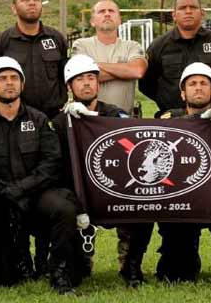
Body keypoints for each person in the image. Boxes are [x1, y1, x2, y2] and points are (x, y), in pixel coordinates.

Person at [0, 56, 77, 294]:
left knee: (64, 207)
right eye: (2, 78)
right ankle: (15, 258)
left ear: (22, 84)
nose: (9, 83)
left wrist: (23, 188)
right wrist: (6, 191)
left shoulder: (39, 120)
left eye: (14, 78)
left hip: (36, 195)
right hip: (1, 199)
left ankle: (59, 271)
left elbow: (52, 163)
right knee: (1, 278)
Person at [154, 63, 211, 288]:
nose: (198, 88)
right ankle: (183, 257)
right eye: (192, 84)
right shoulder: (168, 121)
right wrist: (199, 121)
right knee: (176, 274)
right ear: (182, 92)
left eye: (204, 84)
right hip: (180, 203)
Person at [51, 55, 130, 285]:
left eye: (91, 78)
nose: (86, 83)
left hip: (113, 190)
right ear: (69, 86)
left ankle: (131, 264)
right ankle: (79, 258)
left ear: (98, 83)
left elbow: (130, 149)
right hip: (77, 194)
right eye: (79, 79)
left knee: (140, 204)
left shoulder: (116, 115)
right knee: (78, 274)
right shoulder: (58, 122)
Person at [140, 0, 211, 116]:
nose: (188, 11)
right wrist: (167, 102)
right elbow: (146, 84)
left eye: (193, 7)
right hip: (171, 119)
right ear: (174, 15)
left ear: (202, 13)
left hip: (210, 119)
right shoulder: (158, 46)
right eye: (183, 8)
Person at [0, 0, 69, 119]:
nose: (32, 3)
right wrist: (3, 111)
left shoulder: (57, 39)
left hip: (54, 118)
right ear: (14, 8)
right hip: (17, 119)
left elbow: (65, 76)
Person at [70, 0, 147, 114]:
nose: (107, 14)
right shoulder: (81, 45)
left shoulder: (132, 46)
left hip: (123, 121)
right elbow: (80, 78)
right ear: (92, 21)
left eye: (111, 11)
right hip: (89, 119)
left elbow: (137, 71)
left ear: (119, 20)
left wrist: (94, 66)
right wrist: (125, 71)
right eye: (101, 11)